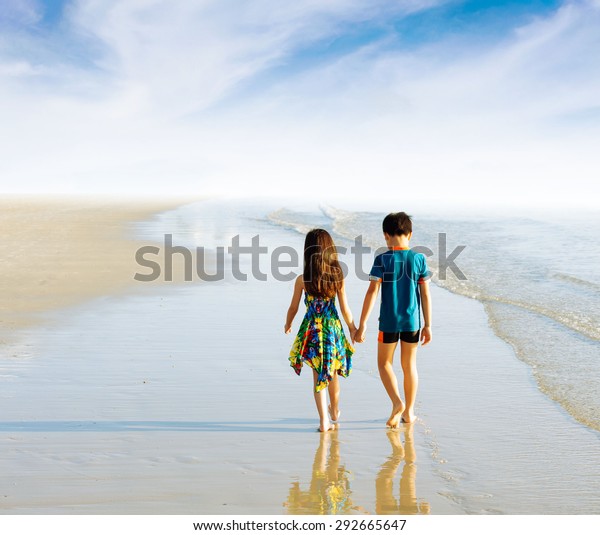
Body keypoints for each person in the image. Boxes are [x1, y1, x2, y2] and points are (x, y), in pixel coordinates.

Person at [355, 212, 432, 427]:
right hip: (412, 322)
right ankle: (409, 412)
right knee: (409, 366)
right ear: (410, 234)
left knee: (383, 364)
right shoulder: (418, 258)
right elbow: (425, 294)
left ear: (385, 235)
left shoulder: (382, 258)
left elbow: (372, 291)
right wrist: (428, 325)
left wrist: (362, 324)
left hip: (388, 322)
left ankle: (397, 402)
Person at [285, 229, 356, 432]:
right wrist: (352, 328)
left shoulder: (303, 280)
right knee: (332, 372)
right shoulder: (337, 276)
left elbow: (294, 307)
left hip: (313, 331)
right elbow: (345, 308)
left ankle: (324, 421)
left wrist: (288, 323)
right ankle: (334, 410)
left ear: (308, 252)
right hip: (332, 331)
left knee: (317, 376)